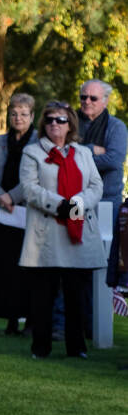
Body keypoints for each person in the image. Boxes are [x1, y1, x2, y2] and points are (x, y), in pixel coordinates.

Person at [19, 101, 103, 359]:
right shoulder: (33, 153)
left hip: (75, 232)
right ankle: (41, 347)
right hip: (47, 233)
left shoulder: (83, 153)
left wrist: (76, 204)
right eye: (50, 120)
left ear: (70, 125)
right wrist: (61, 205)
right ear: (43, 124)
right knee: (43, 295)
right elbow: (29, 189)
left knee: (76, 295)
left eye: (61, 120)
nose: (55, 124)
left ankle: (76, 347)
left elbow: (95, 185)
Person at [0, 94, 38, 334]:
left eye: (24, 114)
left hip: (29, 213)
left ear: (32, 116)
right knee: (6, 266)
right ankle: (10, 318)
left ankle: (32, 320)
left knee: (28, 267)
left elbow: (34, 177)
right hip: (2, 214)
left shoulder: (39, 143)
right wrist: (1, 197)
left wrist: (12, 197)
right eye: (14, 113)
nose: (18, 118)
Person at [77, 80, 126, 287]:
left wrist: (79, 155)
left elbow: (114, 160)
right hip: (75, 200)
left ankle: (99, 310)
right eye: (83, 97)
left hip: (106, 202)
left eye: (93, 98)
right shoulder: (68, 123)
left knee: (104, 257)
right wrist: (91, 149)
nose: (87, 101)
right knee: (75, 256)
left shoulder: (116, 127)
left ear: (105, 102)